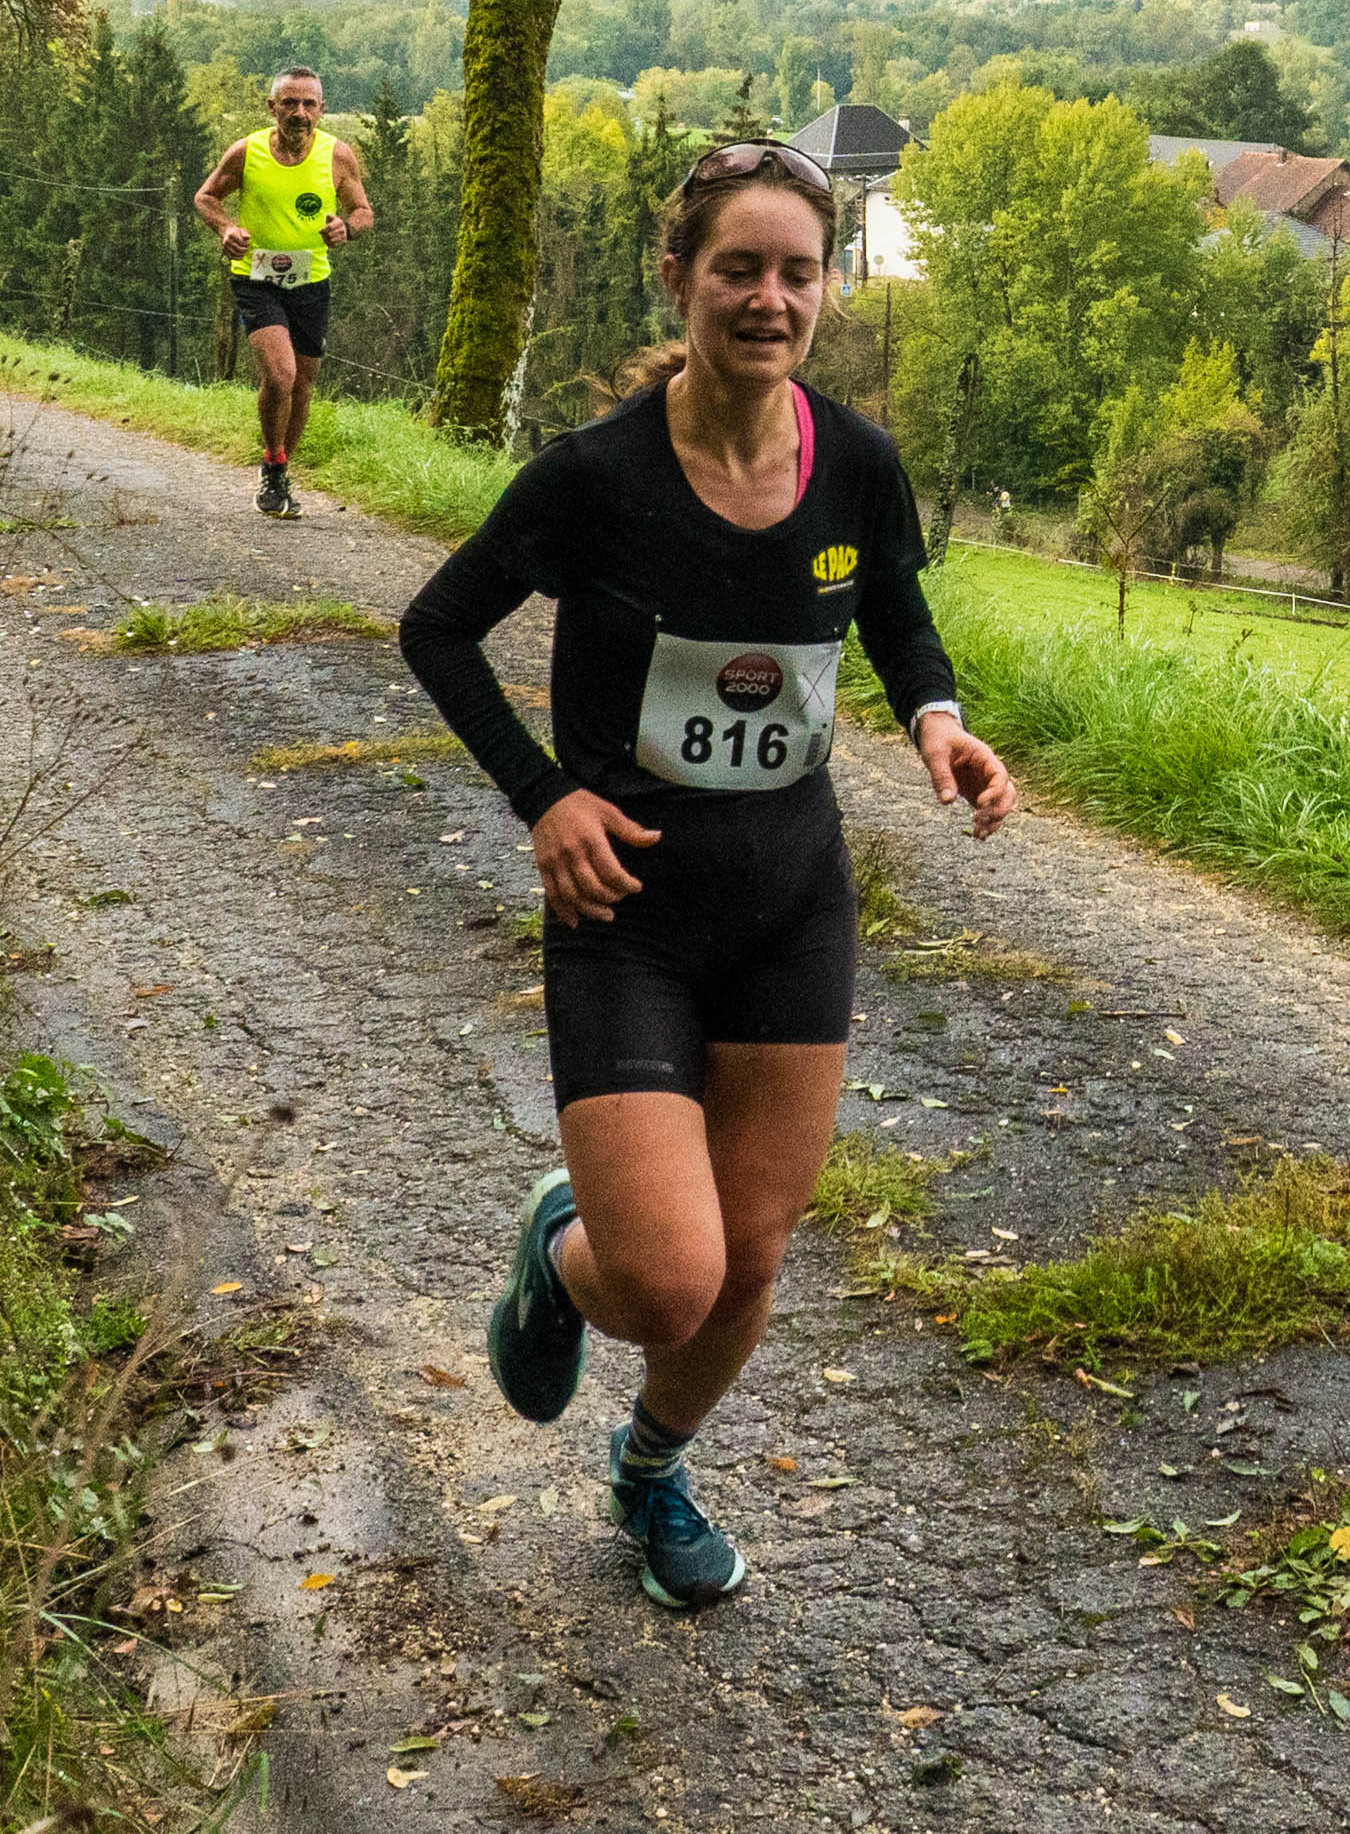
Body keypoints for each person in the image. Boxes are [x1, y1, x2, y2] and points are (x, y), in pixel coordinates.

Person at [396, 138, 1019, 1608]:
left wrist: (937, 720)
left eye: (797, 272)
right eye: (738, 268)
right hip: (626, 913)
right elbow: (437, 629)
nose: (768, 299)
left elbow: (895, 614)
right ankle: (564, 1250)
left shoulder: (856, 463)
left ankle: (650, 1476)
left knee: (749, 1259)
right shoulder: (594, 479)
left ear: (827, 288)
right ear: (678, 278)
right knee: (665, 1281)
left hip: (790, 902)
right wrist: (543, 797)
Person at [192, 68, 372, 517]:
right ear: (272, 107)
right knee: (280, 375)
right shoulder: (247, 152)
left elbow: (363, 211)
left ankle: (279, 470)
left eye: (309, 104)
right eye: (289, 103)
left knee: (303, 386)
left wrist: (346, 229)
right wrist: (226, 228)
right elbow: (205, 197)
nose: (299, 113)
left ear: (322, 109)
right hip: (256, 279)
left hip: (312, 283)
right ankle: (273, 464)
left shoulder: (336, 155)